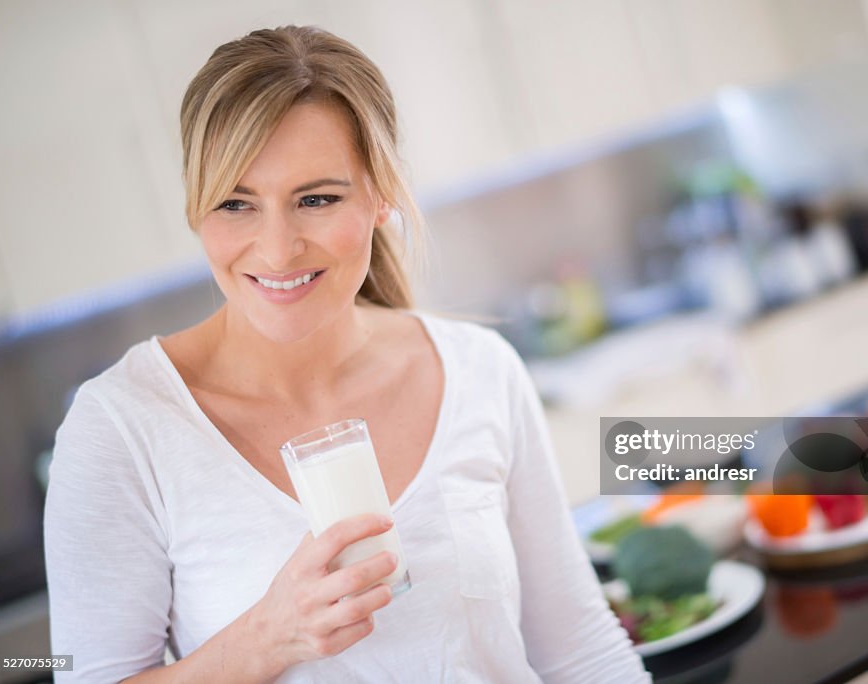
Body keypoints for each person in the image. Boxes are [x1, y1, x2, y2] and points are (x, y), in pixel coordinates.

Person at [43, 25, 650, 683]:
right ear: (196, 208)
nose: (276, 250)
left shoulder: (479, 369)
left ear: (380, 193)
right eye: (235, 203)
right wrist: (263, 642)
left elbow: (582, 653)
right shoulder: (122, 429)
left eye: (316, 199)